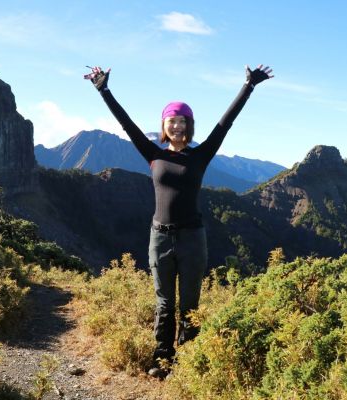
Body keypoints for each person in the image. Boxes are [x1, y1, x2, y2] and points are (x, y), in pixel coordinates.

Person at [86, 63, 273, 379]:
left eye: (182, 121)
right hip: (159, 238)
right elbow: (127, 124)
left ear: (189, 126)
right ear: (164, 125)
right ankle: (163, 360)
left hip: (192, 238)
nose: (176, 126)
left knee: (190, 304)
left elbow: (224, 124)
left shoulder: (200, 155)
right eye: (171, 121)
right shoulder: (153, 154)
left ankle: (189, 361)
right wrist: (104, 90)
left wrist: (248, 87)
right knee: (164, 303)